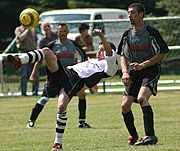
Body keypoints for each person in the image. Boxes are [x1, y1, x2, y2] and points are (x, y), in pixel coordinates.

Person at [7, 28, 118, 150]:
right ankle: (20, 60)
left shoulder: (110, 66)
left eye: (101, 50)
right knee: (46, 52)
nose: (98, 52)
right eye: (99, 49)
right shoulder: (95, 60)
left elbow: (109, 53)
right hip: (66, 71)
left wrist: (101, 36)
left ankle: (58, 142)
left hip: (75, 80)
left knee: (61, 107)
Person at [117, 3, 169, 146]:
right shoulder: (127, 34)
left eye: (133, 12)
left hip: (151, 70)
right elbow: (123, 56)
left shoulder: (151, 32)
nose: (129, 15)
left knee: (141, 98)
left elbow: (161, 54)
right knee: (124, 106)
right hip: (134, 72)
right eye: (128, 12)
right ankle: (133, 135)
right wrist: (125, 72)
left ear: (141, 15)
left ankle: (150, 136)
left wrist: (143, 65)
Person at [26, 23, 92, 129]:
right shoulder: (51, 46)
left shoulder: (74, 44)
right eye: (60, 31)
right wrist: (33, 75)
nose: (63, 33)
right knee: (44, 98)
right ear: (57, 32)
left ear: (68, 32)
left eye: (64, 31)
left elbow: (84, 58)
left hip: (70, 77)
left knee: (82, 94)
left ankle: (82, 122)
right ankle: (31, 121)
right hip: (54, 77)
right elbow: (40, 60)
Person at [15, 25, 39, 96]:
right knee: (23, 74)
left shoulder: (33, 30)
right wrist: (27, 30)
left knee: (35, 74)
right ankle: (24, 93)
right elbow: (21, 38)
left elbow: (36, 41)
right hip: (23, 52)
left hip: (33, 52)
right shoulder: (18, 29)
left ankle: (35, 92)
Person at [75, 23, 98, 94]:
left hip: (90, 58)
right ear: (82, 31)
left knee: (91, 74)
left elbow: (89, 48)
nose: (87, 32)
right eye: (86, 30)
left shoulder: (89, 37)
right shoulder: (77, 38)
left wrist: (81, 49)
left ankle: (94, 89)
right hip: (81, 58)